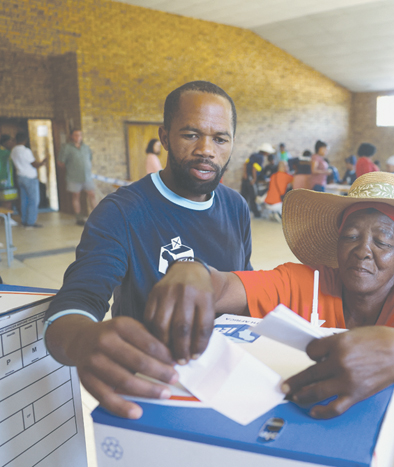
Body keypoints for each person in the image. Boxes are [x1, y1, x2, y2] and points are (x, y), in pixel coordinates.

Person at [148, 172, 394, 467]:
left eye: (383, 240)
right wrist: (194, 272)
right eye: (351, 236)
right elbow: (224, 288)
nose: (363, 249)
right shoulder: (304, 283)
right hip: (299, 449)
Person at [44, 81, 253, 420]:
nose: (206, 149)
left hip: (225, 381)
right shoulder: (122, 211)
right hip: (152, 386)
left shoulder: (236, 206)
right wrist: (82, 339)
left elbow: (245, 283)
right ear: (165, 136)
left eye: (220, 138)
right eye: (190, 134)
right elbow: (76, 303)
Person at [58, 129, 96, 226]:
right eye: (75, 135)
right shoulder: (66, 147)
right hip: (73, 177)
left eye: (80, 135)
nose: (78, 137)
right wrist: (71, 168)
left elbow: (90, 159)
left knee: (92, 194)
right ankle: (79, 218)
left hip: (87, 176)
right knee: (76, 196)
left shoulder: (86, 147)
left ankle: (97, 215)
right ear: (71, 136)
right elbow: (60, 162)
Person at [10, 132, 48, 228]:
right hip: (30, 178)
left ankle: (24, 220)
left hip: (20, 177)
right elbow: (34, 164)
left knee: (24, 200)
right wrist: (43, 162)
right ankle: (30, 222)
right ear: (25, 140)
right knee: (33, 200)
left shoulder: (13, 150)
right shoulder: (26, 151)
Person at [241, 143, 274, 218]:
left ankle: (242, 212)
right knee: (253, 196)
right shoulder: (260, 158)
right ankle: (256, 213)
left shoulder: (254, 155)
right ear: (265, 152)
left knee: (244, 195)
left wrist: (245, 174)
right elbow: (254, 168)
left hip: (246, 178)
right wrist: (254, 179)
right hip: (251, 178)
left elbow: (245, 164)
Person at [0, 135, 18, 216]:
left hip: (4, 178)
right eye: (11, 141)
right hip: (5, 179)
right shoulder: (5, 152)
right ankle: (7, 218)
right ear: (6, 142)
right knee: (7, 199)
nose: (13, 143)